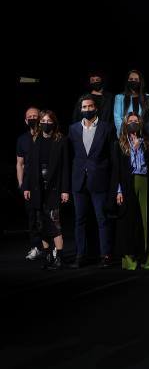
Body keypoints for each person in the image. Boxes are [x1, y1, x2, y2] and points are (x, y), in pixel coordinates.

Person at [68, 95, 116, 268]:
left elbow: (112, 158)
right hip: (79, 181)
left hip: (100, 181)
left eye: (90, 106)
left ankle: (105, 255)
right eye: (84, 107)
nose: (87, 109)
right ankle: (80, 255)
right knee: (79, 220)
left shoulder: (107, 128)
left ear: (96, 108)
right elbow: (71, 156)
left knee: (102, 219)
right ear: (81, 109)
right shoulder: (73, 129)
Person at [22, 110, 70, 269]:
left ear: (54, 123)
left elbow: (65, 168)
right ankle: (48, 255)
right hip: (38, 189)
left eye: (49, 121)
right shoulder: (36, 140)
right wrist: (26, 186)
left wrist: (65, 190)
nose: (45, 123)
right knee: (41, 224)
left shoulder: (61, 140)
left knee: (55, 224)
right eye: (43, 121)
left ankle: (60, 257)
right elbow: (30, 166)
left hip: (53, 189)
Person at [111, 113, 149, 271]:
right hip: (127, 184)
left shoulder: (147, 144)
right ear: (125, 124)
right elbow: (116, 170)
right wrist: (118, 191)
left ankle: (147, 259)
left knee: (146, 221)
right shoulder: (119, 144)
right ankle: (129, 259)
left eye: (136, 121)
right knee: (128, 221)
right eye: (130, 122)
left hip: (144, 182)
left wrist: (139, 147)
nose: (133, 124)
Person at [18, 107, 44, 260]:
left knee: (46, 216)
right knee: (32, 217)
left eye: (35, 116)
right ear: (26, 120)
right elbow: (19, 163)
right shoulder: (22, 139)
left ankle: (50, 247)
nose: (33, 118)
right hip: (29, 184)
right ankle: (36, 247)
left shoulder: (46, 136)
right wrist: (21, 184)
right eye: (30, 116)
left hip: (44, 182)